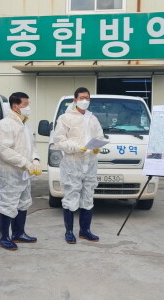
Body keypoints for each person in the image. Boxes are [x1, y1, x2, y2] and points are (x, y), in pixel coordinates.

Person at [53, 87, 105, 244]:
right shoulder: (65, 118)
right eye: (82, 98)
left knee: (88, 195)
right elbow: (59, 140)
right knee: (71, 195)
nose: (85, 101)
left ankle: (85, 230)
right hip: (73, 162)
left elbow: (99, 135)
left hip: (90, 162)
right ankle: (69, 232)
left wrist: (97, 146)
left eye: (87, 98)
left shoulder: (92, 118)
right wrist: (76, 147)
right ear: (75, 100)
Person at [0, 92, 41, 250]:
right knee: (8, 203)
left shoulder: (25, 125)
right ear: (15, 106)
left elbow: (31, 146)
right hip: (10, 172)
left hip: (24, 172)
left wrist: (35, 160)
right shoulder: (4, 125)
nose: (28, 107)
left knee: (23, 202)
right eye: (25, 104)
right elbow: (4, 150)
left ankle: (19, 233)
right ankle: (4, 238)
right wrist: (26, 163)